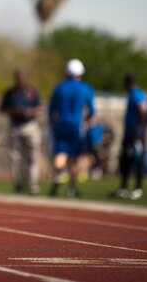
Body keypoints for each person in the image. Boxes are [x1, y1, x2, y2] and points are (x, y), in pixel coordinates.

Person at [47, 59, 95, 197]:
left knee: (60, 154)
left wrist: (51, 124)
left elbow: (52, 110)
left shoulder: (59, 88)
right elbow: (91, 111)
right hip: (76, 126)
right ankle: (72, 188)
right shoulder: (85, 88)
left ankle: (58, 176)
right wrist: (87, 121)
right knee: (75, 157)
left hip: (60, 125)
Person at [0, 68, 43, 195]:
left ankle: (32, 184)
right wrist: (15, 110)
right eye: (18, 77)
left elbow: (39, 108)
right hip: (15, 126)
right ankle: (17, 183)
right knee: (15, 157)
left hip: (30, 125)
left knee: (33, 156)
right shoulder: (10, 93)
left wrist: (29, 111)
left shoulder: (32, 91)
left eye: (22, 77)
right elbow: (2, 109)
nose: (20, 79)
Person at [113, 73, 147, 200]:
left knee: (136, 161)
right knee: (126, 161)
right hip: (131, 134)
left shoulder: (135, 94)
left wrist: (140, 129)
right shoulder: (134, 94)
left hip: (135, 135)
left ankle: (138, 188)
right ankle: (123, 187)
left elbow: (143, 111)